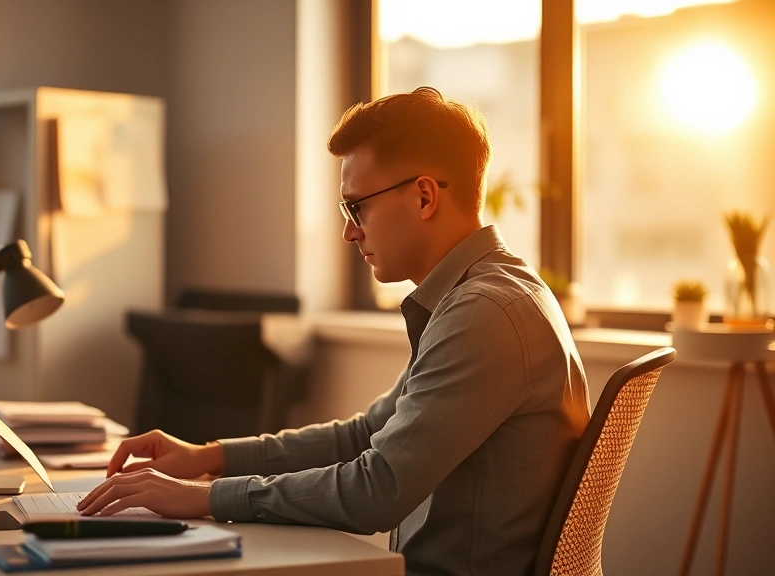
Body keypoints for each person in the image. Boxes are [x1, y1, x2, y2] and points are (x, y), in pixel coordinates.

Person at [77, 87, 591, 576]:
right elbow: (366, 436)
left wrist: (206, 497)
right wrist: (208, 457)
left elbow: (378, 490)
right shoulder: (479, 295)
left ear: (425, 197)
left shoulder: (484, 312)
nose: (349, 231)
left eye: (357, 206)